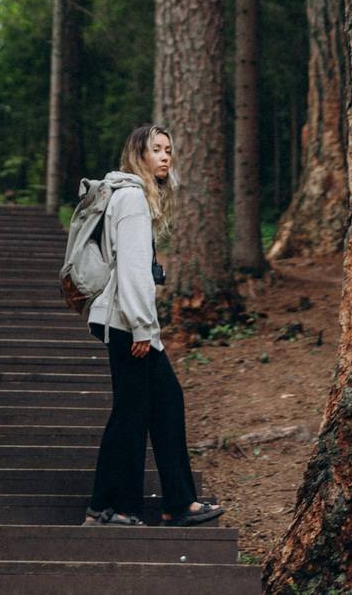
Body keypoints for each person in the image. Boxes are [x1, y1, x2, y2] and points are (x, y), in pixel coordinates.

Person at [82, 123, 224, 528]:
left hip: (127, 321)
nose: (165, 156)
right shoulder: (131, 198)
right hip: (128, 325)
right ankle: (111, 507)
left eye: (168, 150)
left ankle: (175, 503)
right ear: (139, 155)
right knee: (131, 413)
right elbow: (132, 271)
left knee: (163, 403)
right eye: (156, 149)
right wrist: (143, 328)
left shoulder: (132, 196)